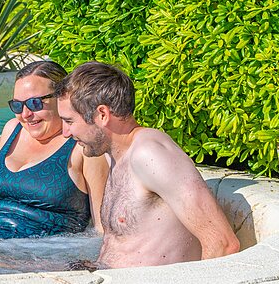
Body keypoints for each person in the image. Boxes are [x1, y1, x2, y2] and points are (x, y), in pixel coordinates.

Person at [55, 62, 240, 268]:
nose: (65, 132)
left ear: (102, 115)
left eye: (69, 121)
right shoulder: (116, 157)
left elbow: (223, 243)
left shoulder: (150, 154)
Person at [0, 60, 109, 239]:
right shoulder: (12, 130)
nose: (25, 114)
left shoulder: (83, 146)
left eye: (35, 103)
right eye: (17, 105)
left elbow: (102, 228)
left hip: (38, 254)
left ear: (62, 98)